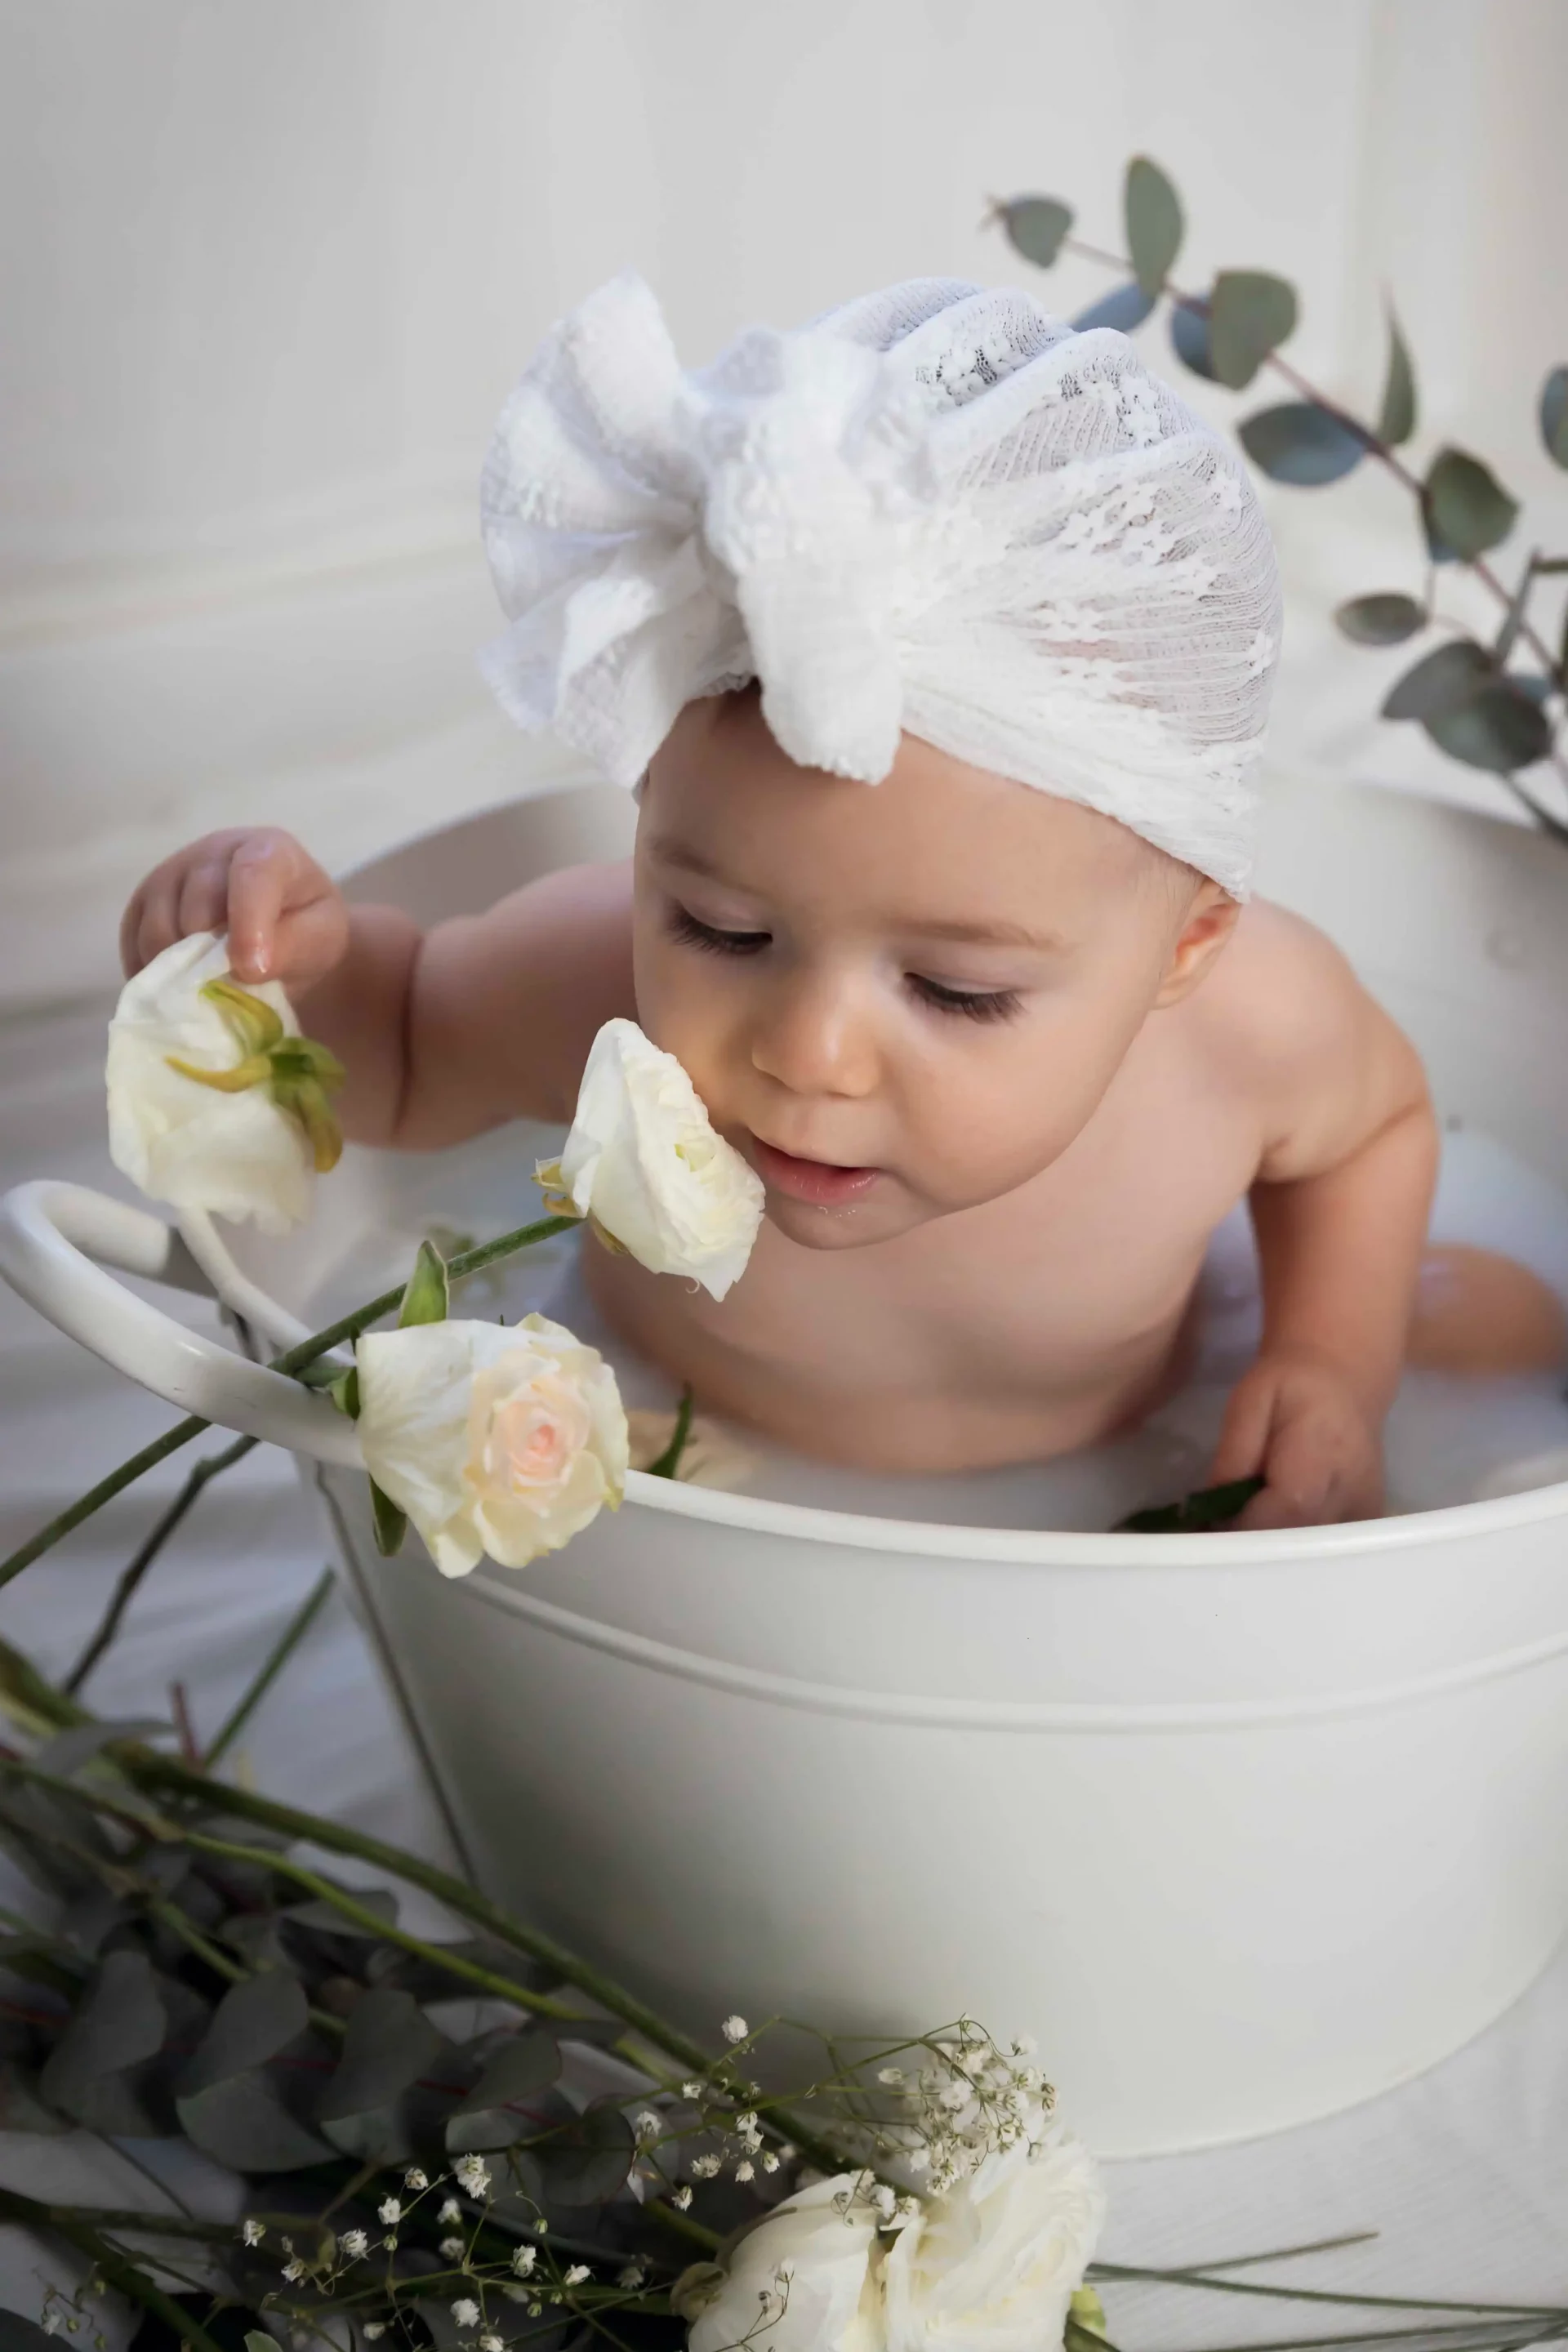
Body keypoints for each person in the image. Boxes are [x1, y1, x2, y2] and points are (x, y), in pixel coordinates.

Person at [118, 277, 1556, 1528]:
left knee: (1495, 1325)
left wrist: (1327, 1357)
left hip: (1140, 1434)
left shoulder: (1250, 1034)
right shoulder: (593, 991)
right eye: (723, 931)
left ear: (1183, 949)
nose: (806, 1053)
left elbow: (1369, 1130)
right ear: (649, 825)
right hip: (686, 1448)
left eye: (956, 991)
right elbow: (402, 1052)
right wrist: (278, 972)